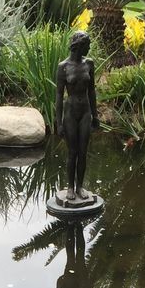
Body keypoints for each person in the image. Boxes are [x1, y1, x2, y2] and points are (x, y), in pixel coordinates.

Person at [55, 31, 99, 205]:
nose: (89, 47)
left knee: (83, 152)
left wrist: (96, 115)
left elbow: (92, 90)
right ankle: (70, 187)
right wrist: (58, 123)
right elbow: (58, 95)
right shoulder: (63, 67)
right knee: (72, 152)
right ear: (79, 46)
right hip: (70, 113)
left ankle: (80, 186)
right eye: (87, 44)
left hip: (85, 112)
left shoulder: (89, 63)